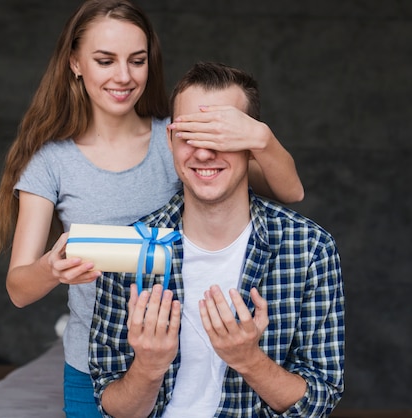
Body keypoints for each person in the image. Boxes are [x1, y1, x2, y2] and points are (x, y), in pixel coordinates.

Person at [0, 1, 304, 417]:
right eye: (105, 60)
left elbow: (290, 191)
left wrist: (260, 137)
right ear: (75, 64)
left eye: (137, 61)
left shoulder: (180, 137)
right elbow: (18, 289)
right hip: (95, 369)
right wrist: (53, 268)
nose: (124, 76)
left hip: (186, 358)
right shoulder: (51, 163)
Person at [90, 61, 345, 417]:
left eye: (222, 137)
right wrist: (148, 367)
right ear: (170, 140)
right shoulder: (129, 249)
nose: (205, 153)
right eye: (191, 134)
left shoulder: (308, 248)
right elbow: (112, 408)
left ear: (252, 145)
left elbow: (320, 399)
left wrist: (249, 360)